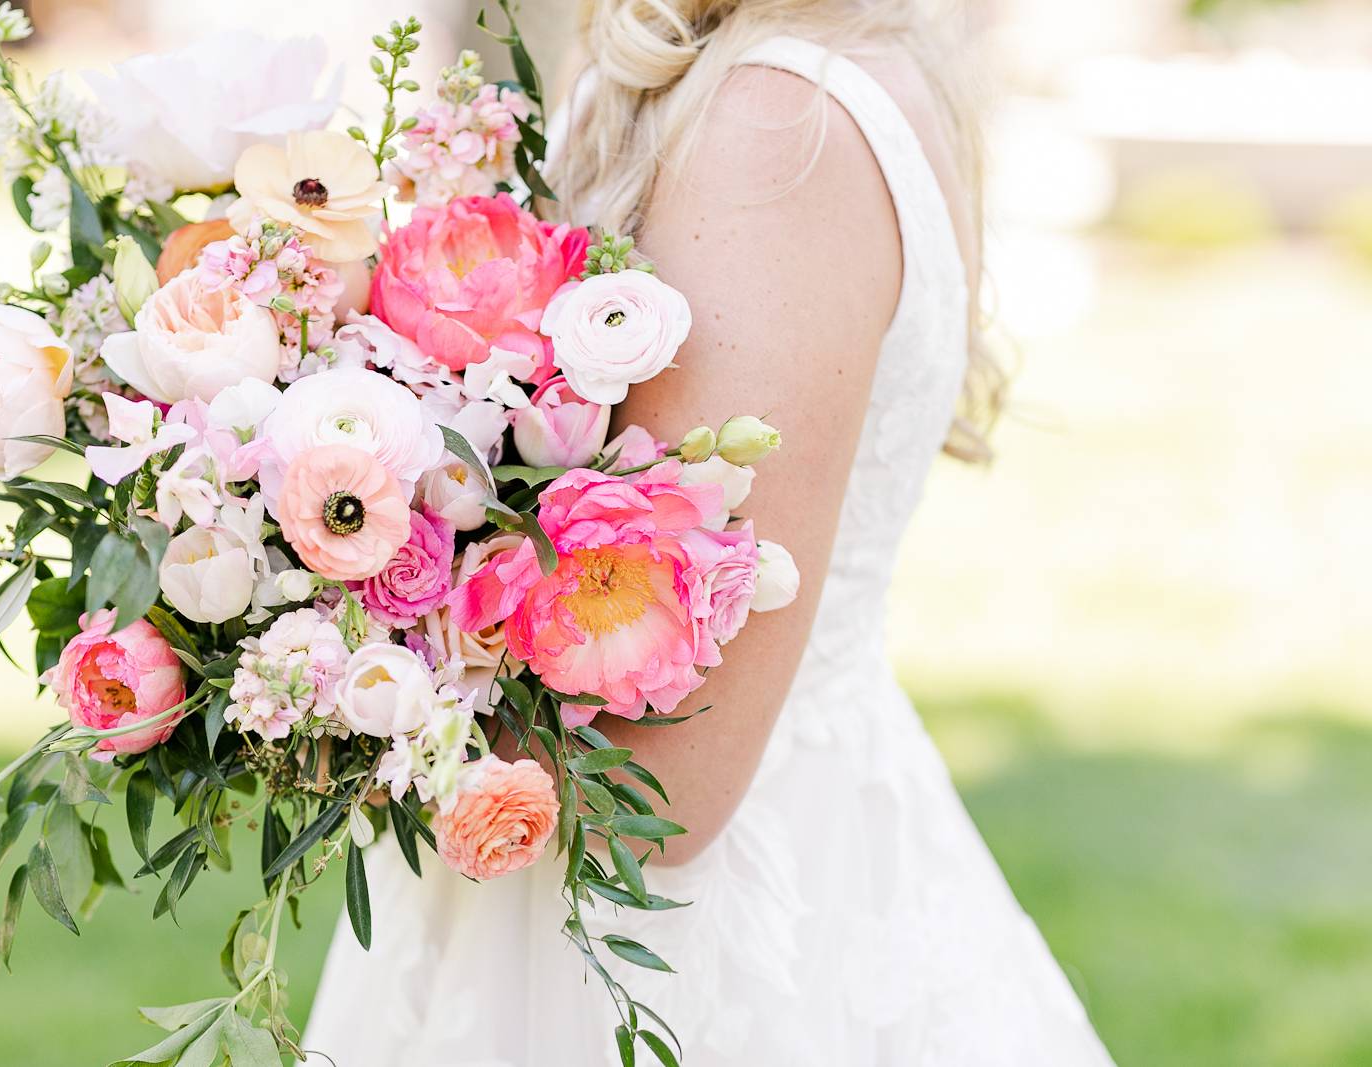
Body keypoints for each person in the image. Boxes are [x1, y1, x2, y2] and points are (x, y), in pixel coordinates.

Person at [305, 2, 1117, 1062]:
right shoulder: (743, 73)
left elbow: (662, 788)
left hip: (695, 938)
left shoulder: (778, 126)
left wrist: (317, 642)